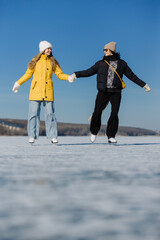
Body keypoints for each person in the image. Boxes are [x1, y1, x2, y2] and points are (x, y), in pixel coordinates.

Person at [68, 41, 151, 143]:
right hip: (103, 91)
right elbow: (88, 72)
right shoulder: (100, 64)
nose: (104, 51)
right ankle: (94, 132)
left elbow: (131, 76)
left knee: (114, 113)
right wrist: (75, 75)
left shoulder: (122, 64)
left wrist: (144, 85)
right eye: (104, 50)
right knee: (97, 112)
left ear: (111, 50)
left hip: (116, 92)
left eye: (106, 50)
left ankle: (111, 136)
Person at [12, 40, 71, 144]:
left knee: (50, 114)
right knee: (33, 114)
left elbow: (60, 74)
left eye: (50, 49)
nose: (49, 50)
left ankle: (53, 136)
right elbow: (28, 74)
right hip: (35, 91)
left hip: (48, 91)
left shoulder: (53, 62)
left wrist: (68, 78)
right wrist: (18, 83)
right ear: (42, 50)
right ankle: (32, 136)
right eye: (48, 48)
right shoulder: (35, 61)